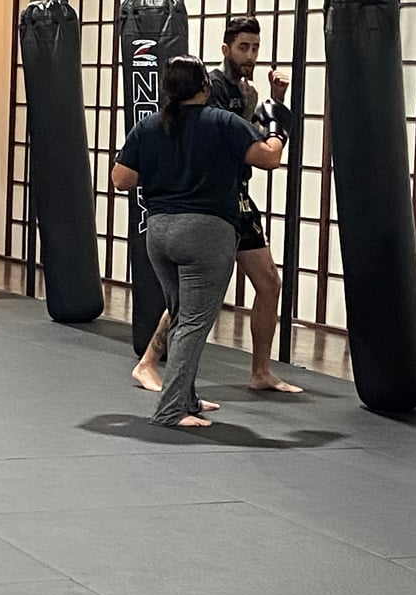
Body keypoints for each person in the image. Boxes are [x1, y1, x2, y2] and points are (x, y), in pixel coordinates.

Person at [112, 55, 292, 427]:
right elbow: (269, 159)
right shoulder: (222, 122)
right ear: (205, 87)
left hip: (159, 234)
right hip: (205, 232)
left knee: (181, 315)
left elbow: (121, 180)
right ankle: (171, 409)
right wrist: (278, 125)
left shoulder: (148, 125)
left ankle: (186, 397)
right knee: (193, 323)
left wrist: (162, 165)